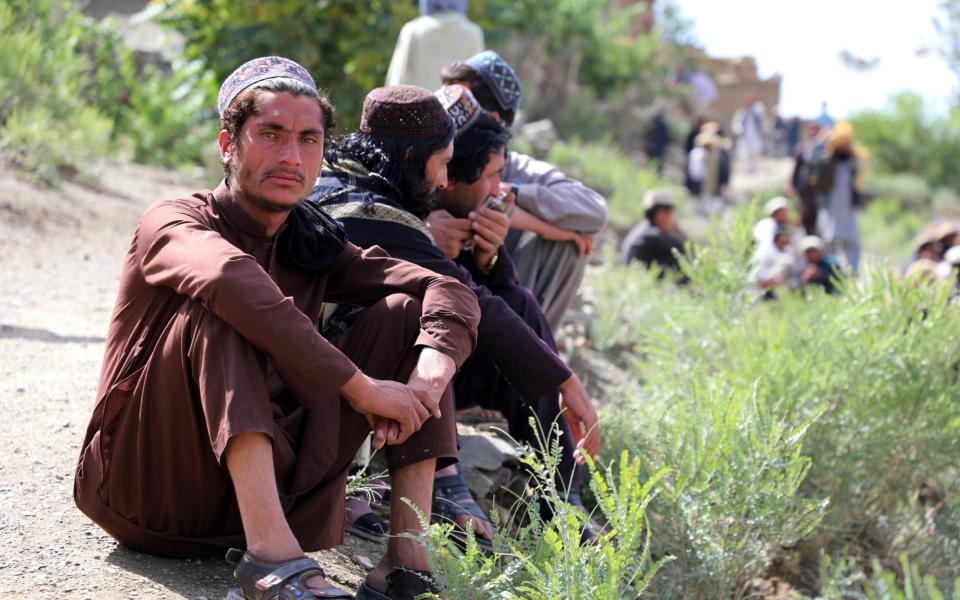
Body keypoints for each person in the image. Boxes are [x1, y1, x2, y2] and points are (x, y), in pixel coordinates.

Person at [73, 57, 482, 600]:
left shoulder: (310, 240)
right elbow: (227, 277)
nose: (291, 156)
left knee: (408, 315)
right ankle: (271, 561)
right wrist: (360, 387)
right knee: (224, 306)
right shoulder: (172, 222)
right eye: (271, 134)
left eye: (309, 140)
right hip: (145, 490)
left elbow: (446, 288)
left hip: (260, 502)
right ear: (228, 144)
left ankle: (405, 561)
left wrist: (426, 381)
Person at [309, 84, 601, 549]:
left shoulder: (372, 188)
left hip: (351, 383)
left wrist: (488, 255)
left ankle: (560, 494)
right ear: (411, 158)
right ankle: (416, 508)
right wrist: (565, 381)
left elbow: (489, 294)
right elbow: (467, 300)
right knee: (421, 318)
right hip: (322, 395)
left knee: (467, 310)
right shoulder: (370, 210)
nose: (444, 182)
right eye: (442, 165)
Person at [437, 50, 608, 331]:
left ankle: (533, 351)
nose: (448, 109)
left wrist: (511, 192)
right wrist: (549, 226)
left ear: (491, 117)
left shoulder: (515, 168)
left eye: (462, 101)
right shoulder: (430, 152)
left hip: (486, 291)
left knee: (568, 247)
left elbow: (594, 210)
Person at [385, 0, 484, 91]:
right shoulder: (474, 33)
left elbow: (397, 80)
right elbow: (479, 81)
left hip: (420, 109)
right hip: (461, 108)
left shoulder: (414, 31)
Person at [811, 121, 863, 274]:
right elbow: (817, 176)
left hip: (847, 208)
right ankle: (830, 270)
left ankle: (852, 270)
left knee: (851, 240)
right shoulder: (826, 160)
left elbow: (859, 174)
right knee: (828, 238)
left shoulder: (852, 161)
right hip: (830, 207)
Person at [620, 189, 687, 279]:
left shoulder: (640, 231)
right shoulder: (655, 239)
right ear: (661, 214)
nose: (673, 220)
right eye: (672, 214)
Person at [687, 124, 731, 214]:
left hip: (715, 189)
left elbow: (724, 171)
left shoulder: (719, 156)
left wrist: (725, 183)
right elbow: (692, 172)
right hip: (700, 188)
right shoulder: (697, 155)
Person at [791, 122, 825, 234]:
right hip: (804, 186)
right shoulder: (802, 148)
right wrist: (792, 185)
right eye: (812, 130)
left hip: (817, 187)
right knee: (804, 211)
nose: (814, 133)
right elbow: (797, 168)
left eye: (816, 130)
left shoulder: (824, 148)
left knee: (816, 212)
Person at [731, 93, 766, 174]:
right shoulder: (742, 112)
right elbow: (737, 123)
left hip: (755, 136)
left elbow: (762, 122)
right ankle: (746, 171)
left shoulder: (757, 111)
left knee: (754, 153)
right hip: (745, 136)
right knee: (744, 154)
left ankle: (753, 170)